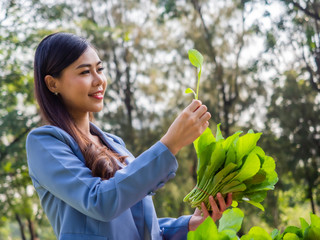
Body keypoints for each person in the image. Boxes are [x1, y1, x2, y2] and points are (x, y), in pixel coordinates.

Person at [26, 32, 232, 240]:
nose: (99, 80)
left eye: (99, 69)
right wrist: (170, 144)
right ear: (53, 84)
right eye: (85, 72)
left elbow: (138, 226)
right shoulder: (44, 142)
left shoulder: (115, 144)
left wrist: (188, 225)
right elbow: (99, 201)